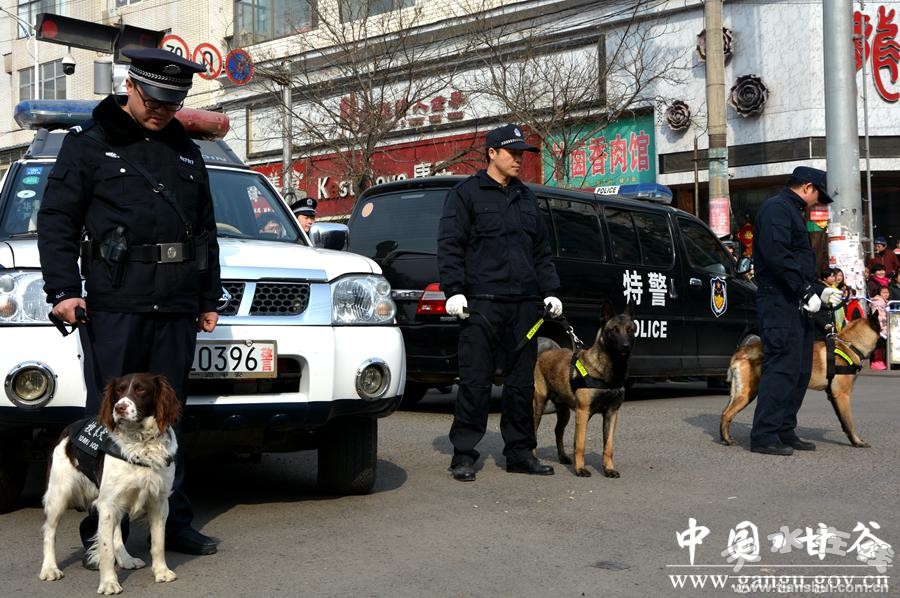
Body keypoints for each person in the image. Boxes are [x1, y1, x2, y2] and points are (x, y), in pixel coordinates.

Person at [37, 48, 221, 558]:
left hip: (176, 303)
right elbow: (57, 220)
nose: (163, 110)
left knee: (167, 415)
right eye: (155, 100)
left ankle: (173, 520)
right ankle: (103, 529)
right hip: (116, 302)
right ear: (131, 88)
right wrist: (63, 290)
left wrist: (208, 295)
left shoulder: (186, 150)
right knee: (111, 417)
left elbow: (204, 230)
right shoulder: (89, 144)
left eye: (173, 102)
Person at [437, 123, 562, 482]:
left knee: (521, 384)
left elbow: (541, 251)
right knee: (475, 382)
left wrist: (551, 291)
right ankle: (464, 454)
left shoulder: (526, 198)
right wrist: (453, 291)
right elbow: (450, 245)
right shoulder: (466, 194)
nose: (519, 159)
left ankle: (520, 453)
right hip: (482, 305)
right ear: (492, 153)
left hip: (524, 306)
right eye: (513, 153)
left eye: (522, 153)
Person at [749, 166, 842, 456]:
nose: (817, 202)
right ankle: (764, 434)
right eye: (818, 196)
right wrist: (804, 290)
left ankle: (784, 429)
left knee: (800, 369)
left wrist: (818, 289)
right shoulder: (776, 209)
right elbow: (777, 256)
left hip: (796, 300)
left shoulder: (792, 211)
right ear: (807, 187)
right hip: (779, 300)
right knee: (782, 367)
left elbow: (798, 262)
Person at [869, 286, 890, 370]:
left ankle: (880, 361)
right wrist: (883, 327)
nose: (886, 294)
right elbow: (880, 317)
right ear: (879, 293)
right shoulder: (878, 302)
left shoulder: (884, 302)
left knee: (881, 345)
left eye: (887, 292)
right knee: (879, 345)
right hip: (880, 327)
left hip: (882, 326)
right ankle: (876, 361)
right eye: (883, 292)